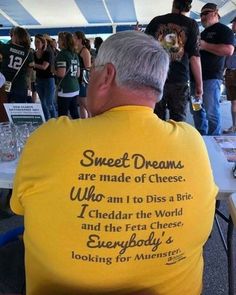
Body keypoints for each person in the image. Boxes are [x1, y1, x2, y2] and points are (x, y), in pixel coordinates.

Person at [10, 31, 217, 295]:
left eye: (92, 70)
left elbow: (18, 206)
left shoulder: (50, 138)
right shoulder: (193, 143)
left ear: (106, 76)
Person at [145, 0, 202, 122]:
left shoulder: (156, 21)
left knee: (155, 121)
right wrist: (199, 84)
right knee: (178, 122)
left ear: (173, 3)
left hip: (156, 79)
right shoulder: (191, 24)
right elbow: (195, 57)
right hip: (179, 80)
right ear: (189, 6)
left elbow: (145, 51)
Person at [192, 3, 234, 135]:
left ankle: (215, 138)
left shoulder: (223, 30)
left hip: (211, 79)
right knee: (196, 110)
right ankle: (202, 136)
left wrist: (204, 45)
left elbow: (229, 50)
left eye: (206, 13)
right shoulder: (203, 32)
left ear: (216, 13)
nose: (203, 16)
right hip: (195, 79)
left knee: (211, 112)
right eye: (201, 14)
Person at [0, 27, 34, 103]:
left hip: (4, 84)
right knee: (18, 112)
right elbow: (29, 74)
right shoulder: (29, 53)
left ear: (15, 36)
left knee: (3, 111)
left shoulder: (5, 48)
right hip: (21, 86)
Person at [55, 32, 80, 119]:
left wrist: (53, 71)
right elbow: (78, 74)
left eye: (59, 40)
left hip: (65, 90)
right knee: (75, 113)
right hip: (75, 88)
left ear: (63, 41)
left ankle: (63, 132)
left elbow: (61, 74)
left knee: (62, 116)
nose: (57, 42)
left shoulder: (62, 54)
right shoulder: (75, 54)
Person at [34, 34, 57, 120]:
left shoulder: (48, 53)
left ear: (43, 43)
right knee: (42, 102)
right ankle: (47, 120)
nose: (36, 43)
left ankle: (54, 120)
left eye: (38, 42)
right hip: (39, 79)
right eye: (35, 41)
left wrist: (34, 64)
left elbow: (44, 67)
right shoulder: (34, 53)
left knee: (49, 102)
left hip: (48, 79)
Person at [73, 31, 91, 118]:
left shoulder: (84, 51)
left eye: (74, 37)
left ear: (79, 39)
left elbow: (88, 67)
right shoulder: (77, 50)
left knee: (84, 102)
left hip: (83, 80)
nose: (72, 39)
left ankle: (92, 119)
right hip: (77, 79)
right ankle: (84, 121)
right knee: (80, 103)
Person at [223, 16, 236, 134]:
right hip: (229, 72)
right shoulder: (231, 38)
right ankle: (234, 125)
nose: (232, 26)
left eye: (234, 24)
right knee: (233, 101)